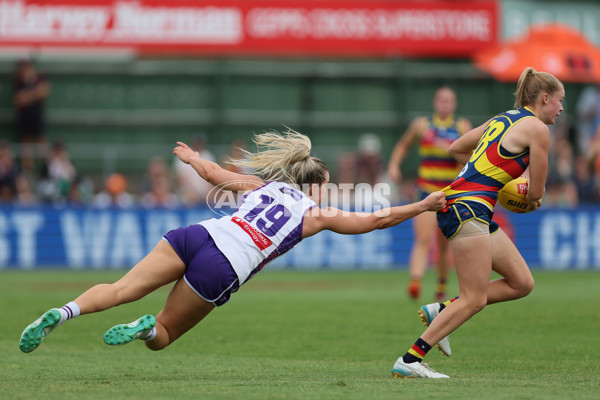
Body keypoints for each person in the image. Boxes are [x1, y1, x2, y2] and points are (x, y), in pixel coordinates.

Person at [19, 130, 446, 354]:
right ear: (316, 186)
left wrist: (190, 158)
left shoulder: (260, 186)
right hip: (222, 267)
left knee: (119, 289)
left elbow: (211, 174)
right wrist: (422, 206)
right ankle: (145, 328)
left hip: (198, 235)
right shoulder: (316, 214)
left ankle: (63, 311)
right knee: (166, 333)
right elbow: (375, 221)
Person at [391, 68, 564, 379]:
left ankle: (442, 311)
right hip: (468, 206)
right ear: (545, 98)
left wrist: (487, 172)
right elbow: (535, 192)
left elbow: (455, 149)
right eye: (560, 101)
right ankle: (410, 360)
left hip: (467, 204)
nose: (561, 108)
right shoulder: (538, 129)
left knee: (522, 282)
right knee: (474, 298)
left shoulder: (502, 118)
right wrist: (528, 198)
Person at [387, 86, 472, 301]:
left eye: (449, 100)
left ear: (454, 104)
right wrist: (394, 165)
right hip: (425, 189)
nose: (445, 104)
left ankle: (441, 285)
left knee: (444, 244)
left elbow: (472, 156)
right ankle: (416, 280)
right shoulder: (422, 125)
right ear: (435, 103)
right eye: (441, 100)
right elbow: (402, 145)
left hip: (450, 192)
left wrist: (451, 149)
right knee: (422, 239)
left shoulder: (462, 126)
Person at [13, 59, 51, 174]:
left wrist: (28, 95)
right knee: (26, 144)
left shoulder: (38, 79)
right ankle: (27, 171)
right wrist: (34, 93)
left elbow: (45, 91)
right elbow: (19, 100)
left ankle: (45, 170)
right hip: (25, 118)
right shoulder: (19, 82)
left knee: (41, 142)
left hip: (37, 117)